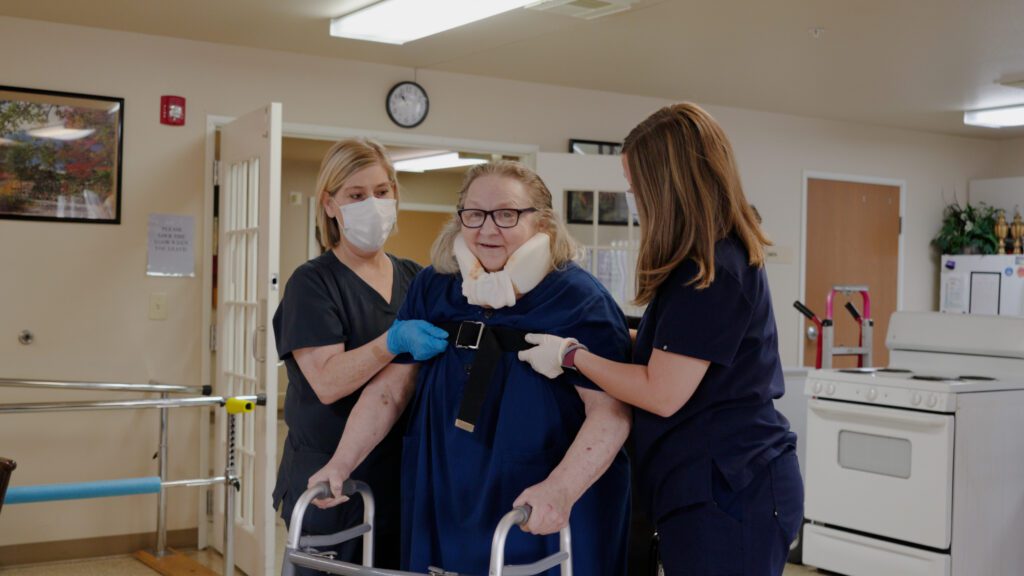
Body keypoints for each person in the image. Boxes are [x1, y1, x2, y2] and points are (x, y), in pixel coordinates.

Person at [518, 103, 804, 576]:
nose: (633, 199)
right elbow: (674, 349)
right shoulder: (703, 260)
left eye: (635, 188)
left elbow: (662, 391)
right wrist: (602, 336)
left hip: (731, 488)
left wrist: (574, 357)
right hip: (708, 482)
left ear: (666, 186)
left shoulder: (710, 271)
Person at [309, 161, 632, 575]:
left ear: (543, 223)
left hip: (541, 495)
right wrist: (342, 462)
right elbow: (391, 390)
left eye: (507, 214)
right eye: (474, 214)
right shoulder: (435, 286)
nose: (487, 229)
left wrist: (562, 489)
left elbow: (612, 412)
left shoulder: (578, 297)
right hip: (445, 485)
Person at [272, 138, 448, 571]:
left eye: (382, 192)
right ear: (330, 204)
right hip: (331, 480)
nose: (373, 204)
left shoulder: (416, 277)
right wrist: (392, 342)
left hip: (401, 475)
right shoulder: (313, 284)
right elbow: (329, 383)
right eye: (356, 195)